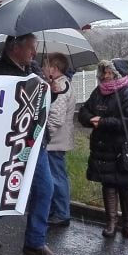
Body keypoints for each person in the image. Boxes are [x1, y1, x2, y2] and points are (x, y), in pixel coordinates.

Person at [0, 33, 63, 255]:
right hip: (8, 141)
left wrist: (50, 91)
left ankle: (35, 242)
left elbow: (39, 107)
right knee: (7, 189)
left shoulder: (33, 70)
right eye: (31, 48)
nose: (34, 53)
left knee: (45, 188)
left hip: (33, 140)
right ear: (15, 47)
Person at [78, 58, 128, 240]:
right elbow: (84, 111)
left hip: (124, 149)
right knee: (108, 184)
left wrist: (103, 122)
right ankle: (111, 223)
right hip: (103, 148)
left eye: (109, 72)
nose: (106, 76)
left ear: (118, 74)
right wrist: (91, 119)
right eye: (104, 72)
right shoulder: (98, 92)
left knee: (125, 186)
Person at [44, 52, 75, 227]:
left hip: (54, 141)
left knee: (56, 177)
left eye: (46, 66)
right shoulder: (62, 83)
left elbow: (56, 117)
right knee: (56, 176)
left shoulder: (60, 86)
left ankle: (62, 213)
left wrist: (44, 135)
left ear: (54, 69)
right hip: (57, 140)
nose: (44, 68)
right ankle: (56, 211)